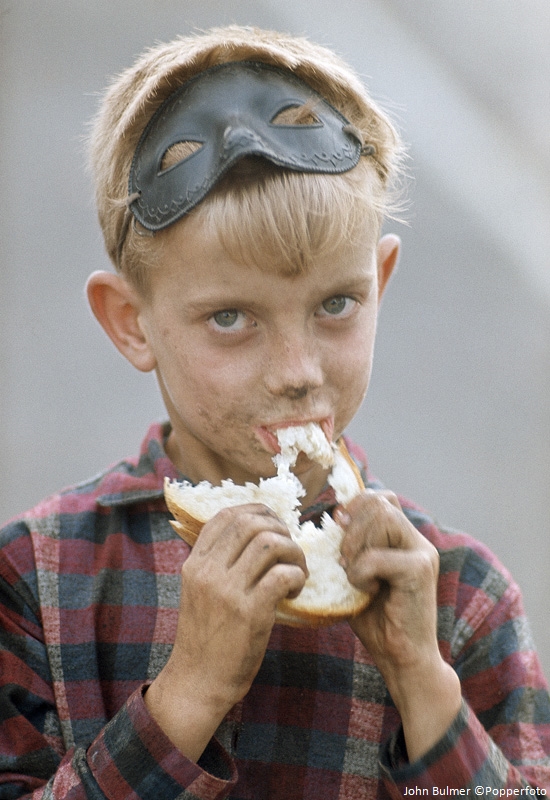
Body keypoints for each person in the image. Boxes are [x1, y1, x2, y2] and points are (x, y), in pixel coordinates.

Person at [0, 24, 548, 799]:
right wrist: (186, 695)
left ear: (380, 283)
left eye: (336, 304)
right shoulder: (37, 579)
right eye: (231, 317)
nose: (298, 372)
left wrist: (423, 685)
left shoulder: (461, 601)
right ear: (131, 322)